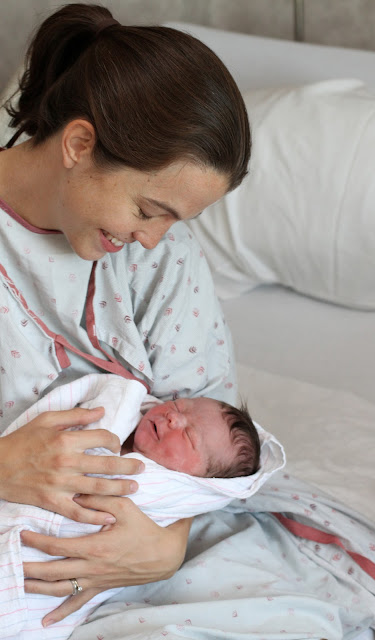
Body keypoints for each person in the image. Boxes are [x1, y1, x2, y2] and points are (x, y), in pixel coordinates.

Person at [0, 2, 251, 628]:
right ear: (79, 144)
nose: (153, 239)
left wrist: (164, 548)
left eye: (176, 220)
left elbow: (213, 446)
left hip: (134, 558)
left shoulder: (163, 257)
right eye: (147, 210)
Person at [1, 373, 285, 638]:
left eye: (189, 437)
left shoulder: (161, 487)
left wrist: (168, 551)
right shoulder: (118, 417)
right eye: (180, 405)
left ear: (198, 482)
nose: (174, 416)